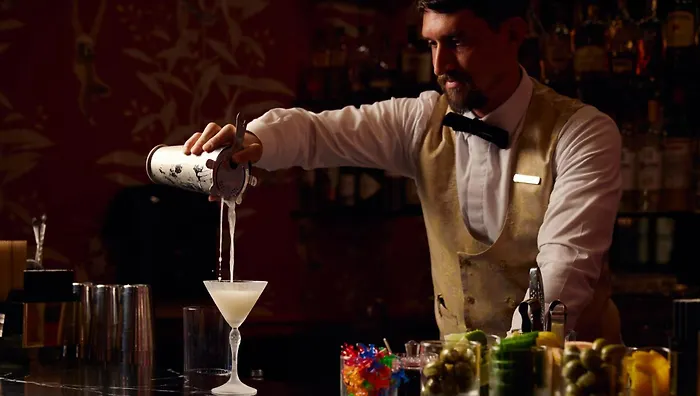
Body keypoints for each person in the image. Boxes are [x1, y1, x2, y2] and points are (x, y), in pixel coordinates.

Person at [183, 0, 622, 343]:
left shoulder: (583, 132)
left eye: (458, 41)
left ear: (512, 35)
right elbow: (317, 132)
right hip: (456, 390)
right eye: (432, 44)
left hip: (574, 390)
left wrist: (515, 363)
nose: (440, 65)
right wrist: (252, 141)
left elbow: (564, 268)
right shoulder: (420, 121)